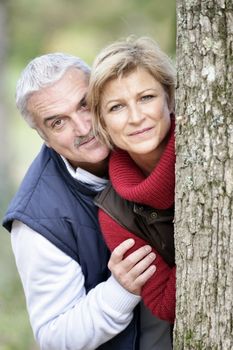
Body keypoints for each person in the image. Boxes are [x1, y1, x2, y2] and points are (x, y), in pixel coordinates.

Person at [2, 53, 162, 350]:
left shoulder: (144, 136)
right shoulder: (38, 219)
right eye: (58, 122)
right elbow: (54, 337)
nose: (83, 127)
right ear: (44, 137)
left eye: (84, 104)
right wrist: (120, 290)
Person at [88, 36, 176, 334]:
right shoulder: (114, 212)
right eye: (116, 107)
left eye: (146, 97)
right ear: (102, 122)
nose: (137, 118)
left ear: (169, 96)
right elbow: (165, 304)